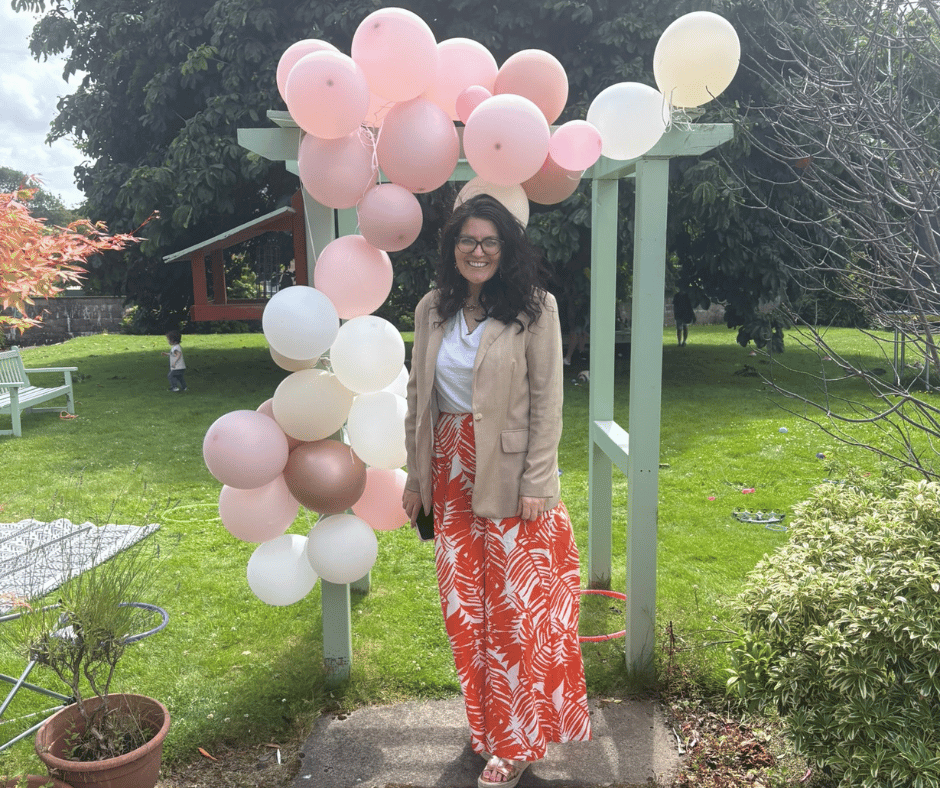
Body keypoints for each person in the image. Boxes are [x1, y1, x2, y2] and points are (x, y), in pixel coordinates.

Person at [403, 194, 591, 788]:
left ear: (506, 249)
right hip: (449, 476)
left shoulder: (536, 310)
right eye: (467, 241)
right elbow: (418, 400)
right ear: (452, 249)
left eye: (489, 242)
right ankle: (485, 726)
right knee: (468, 614)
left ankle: (514, 742)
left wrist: (540, 480)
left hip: (512, 481)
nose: (477, 251)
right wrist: (415, 477)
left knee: (515, 613)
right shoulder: (433, 308)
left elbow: (548, 403)